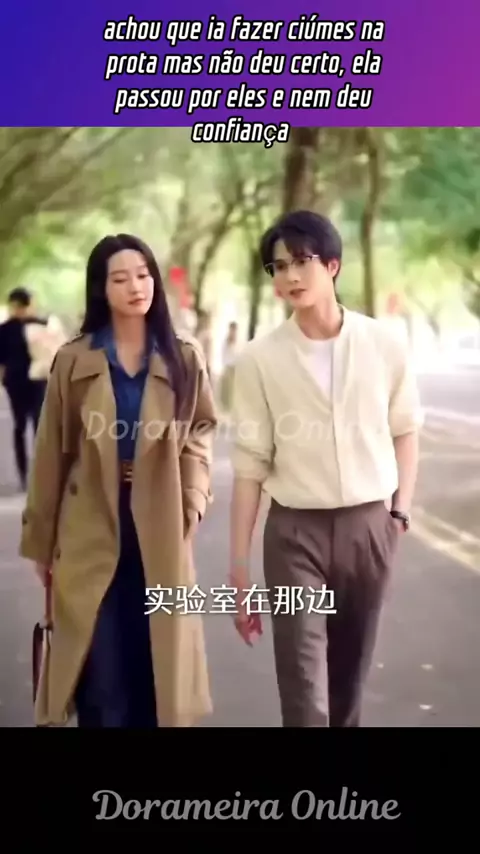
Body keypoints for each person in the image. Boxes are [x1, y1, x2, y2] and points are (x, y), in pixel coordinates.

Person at [229, 210, 422, 727]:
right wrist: (239, 568)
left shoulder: (384, 345)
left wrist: (399, 512)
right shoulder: (259, 360)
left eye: (301, 261)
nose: (290, 276)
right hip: (294, 534)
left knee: (347, 682)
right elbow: (249, 466)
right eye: (278, 267)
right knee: (303, 685)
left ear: (332, 265)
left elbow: (406, 429)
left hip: (369, 527)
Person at [20, 233, 217, 728]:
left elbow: (200, 430)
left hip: (161, 520)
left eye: (144, 275)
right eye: (121, 278)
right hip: (89, 522)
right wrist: (42, 543)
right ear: (101, 289)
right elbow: (51, 455)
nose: (136, 287)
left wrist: (192, 497)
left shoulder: (182, 356)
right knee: (101, 678)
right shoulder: (75, 359)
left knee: (156, 672)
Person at [0, 287, 55, 490]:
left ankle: (24, 475)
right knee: (39, 425)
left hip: (15, 382)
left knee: (20, 426)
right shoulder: (41, 324)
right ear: (29, 303)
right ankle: (41, 475)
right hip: (38, 381)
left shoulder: (4, 329)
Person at [219, 321, 239, 413]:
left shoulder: (238, 342)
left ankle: (231, 409)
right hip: (227, 367)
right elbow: (224, 355)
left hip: (235, 368)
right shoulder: (226, 341)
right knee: (225, 390)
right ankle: (224, 408)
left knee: (233, 391)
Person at [195, 309, 213, 378]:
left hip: (203, 364)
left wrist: (208, 367)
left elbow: (208, 354)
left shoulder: (207, 335)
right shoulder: (197, 332)